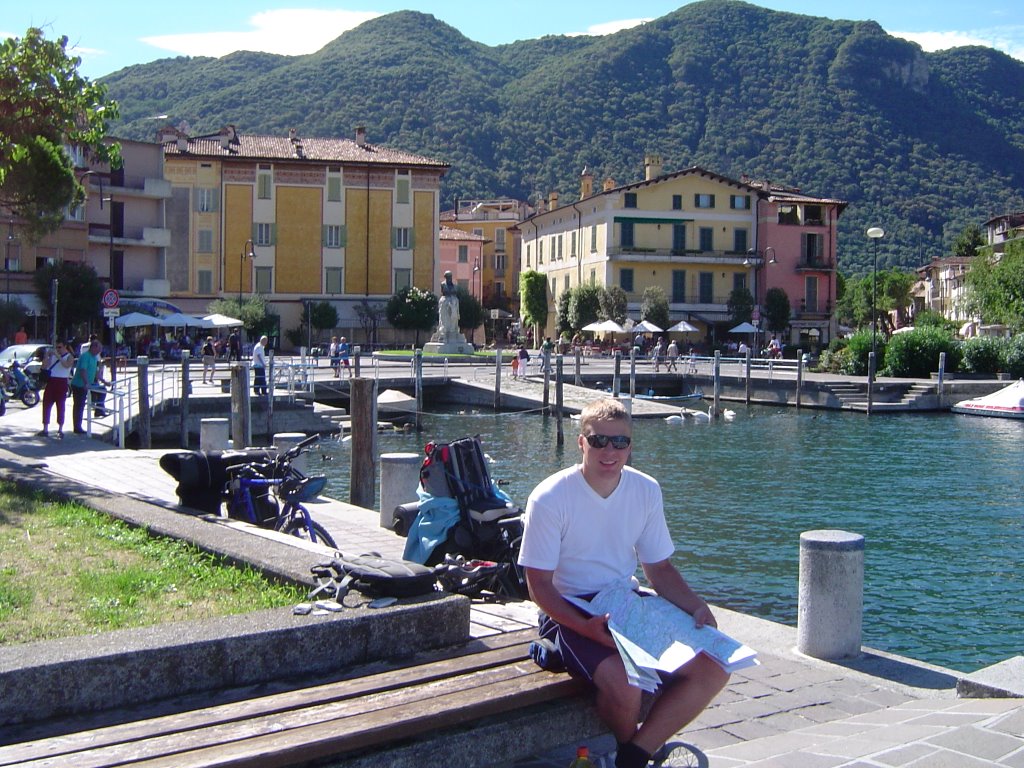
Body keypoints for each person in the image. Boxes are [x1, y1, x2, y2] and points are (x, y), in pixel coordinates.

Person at [518, 399, 728, 768]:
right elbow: (539, 585)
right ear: (581, 443)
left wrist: (695, 605)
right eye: (599, 441)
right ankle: (636, 753)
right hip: (570, 608)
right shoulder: (550, 497)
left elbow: (659, 569)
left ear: (631, 447)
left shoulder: (645, 490)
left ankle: (633, 755)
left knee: (715, 666)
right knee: (628, 683)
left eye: (620, 442)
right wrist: (585, 627)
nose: (610, 451)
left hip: (627, 603)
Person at [38, 341, 75, 439]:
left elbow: (66, 365)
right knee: (46, 404)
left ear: (65, 347)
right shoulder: (53, 357)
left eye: (60, 347)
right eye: (57, 347)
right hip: (51, 382)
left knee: (61, 406)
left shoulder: (69, 357)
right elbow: (44, 366)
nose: (58, 349)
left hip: (61, 382)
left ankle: (60, 429)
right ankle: (45, 428)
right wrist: (47, 355)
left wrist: (58, 356)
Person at [70, 339, 103, 435]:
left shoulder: (94, 358)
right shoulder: (85, 356)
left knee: (101, 392)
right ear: (93, 347)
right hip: (79, 385)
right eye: (98, 348)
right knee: (79, 406)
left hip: (89, 385)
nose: (99, 351)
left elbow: (96, 373)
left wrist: (104, 381)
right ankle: (77, 427)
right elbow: (83, 370)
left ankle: (99, 409)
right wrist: (86, 383)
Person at [438, 271, 460, 337]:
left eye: (450, 276)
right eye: (447, 277)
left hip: (453, 301)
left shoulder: (454, 286)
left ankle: (453, 329)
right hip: (445, 300)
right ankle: (444, 328)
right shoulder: (443, 284)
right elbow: (443, 292)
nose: (449, 278)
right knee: (444, 316)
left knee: (454, 316)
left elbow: (455, 293)